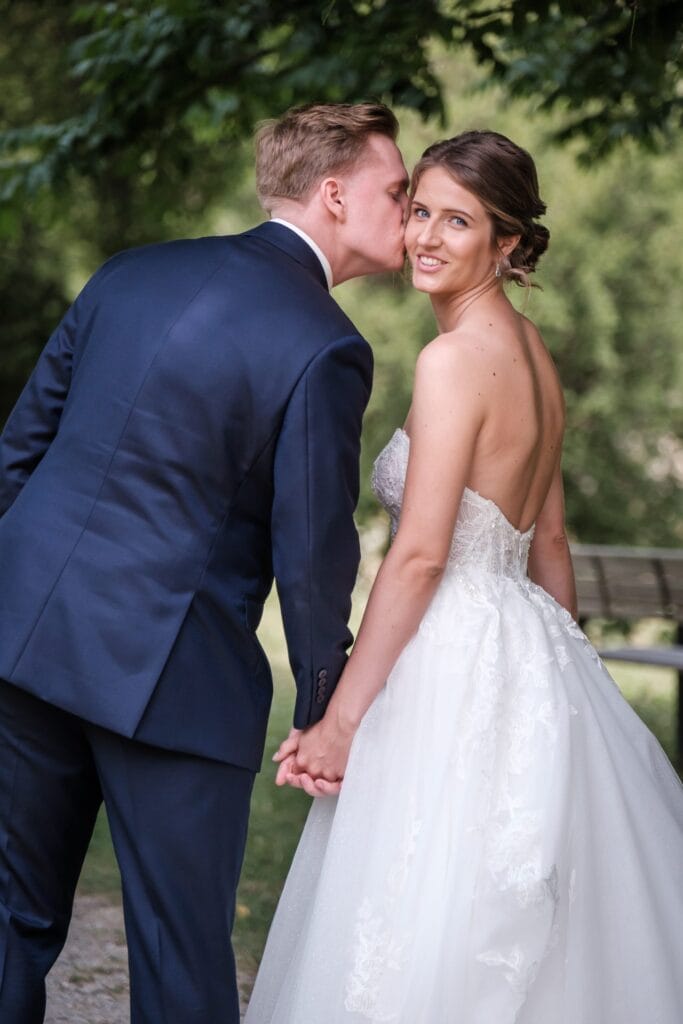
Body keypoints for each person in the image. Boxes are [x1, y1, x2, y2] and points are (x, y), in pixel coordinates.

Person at [245, 130, 683, 1023]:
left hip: (447, 652)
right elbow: (548, 539)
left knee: (420, 901)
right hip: (525, 641)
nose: (426, 238)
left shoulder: (451, 364)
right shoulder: (532, 354)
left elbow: (419, 556)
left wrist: (340, 721)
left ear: (508, 241)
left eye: (459, 221)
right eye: (417, 213)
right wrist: (564, 691)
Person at [0, 102, 409, 1023]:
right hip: (171, 684)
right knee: (180, 957)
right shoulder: (326, 344)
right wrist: (323, 709)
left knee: (10, 916)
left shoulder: (132, 272)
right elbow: (310, 555)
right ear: (335, 194)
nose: (411, 205)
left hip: (25, 637)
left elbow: (18, 454)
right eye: (397, 187)